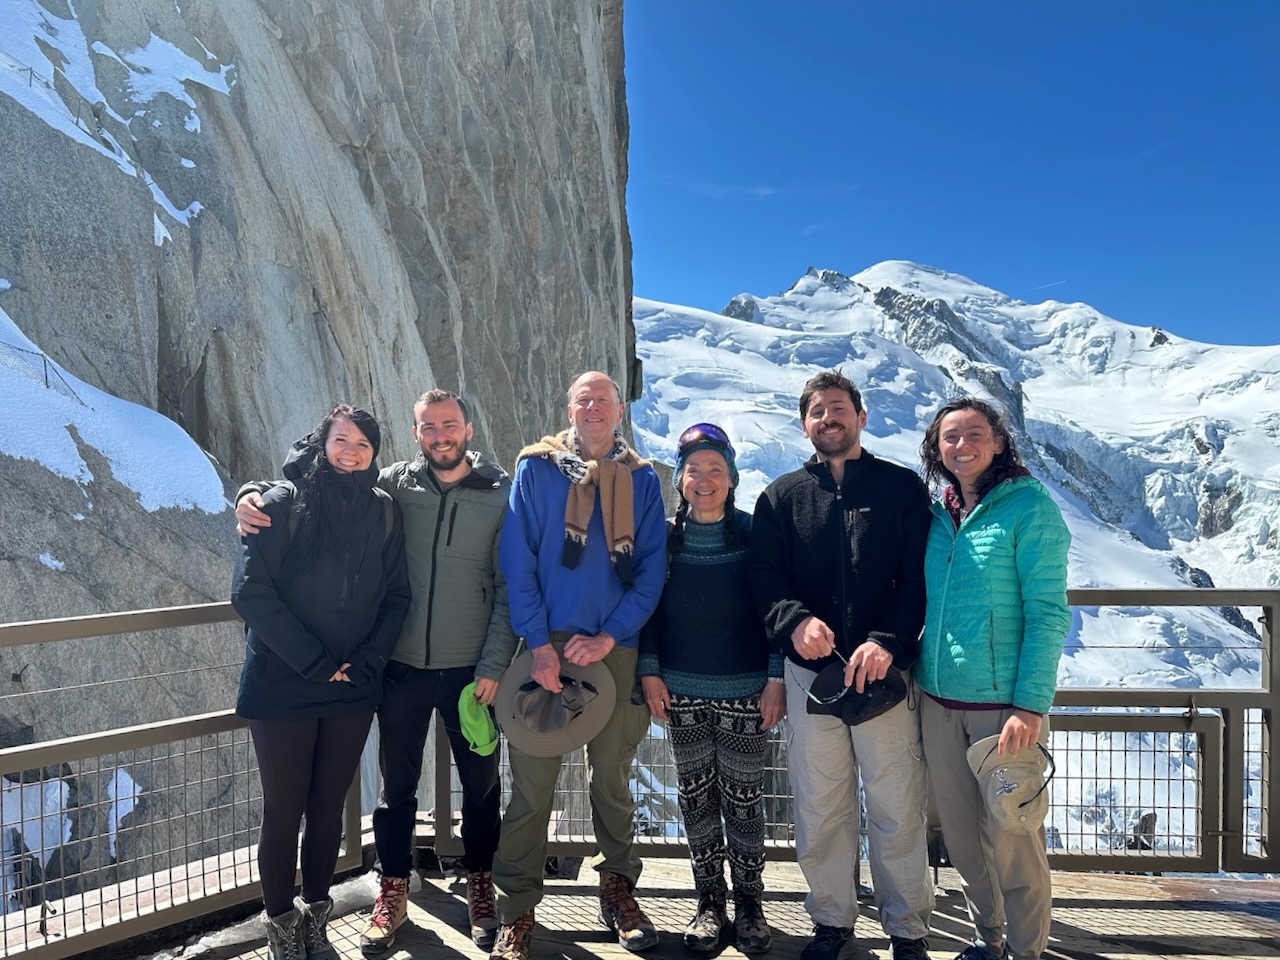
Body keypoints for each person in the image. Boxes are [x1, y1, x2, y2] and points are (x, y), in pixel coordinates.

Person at [236, 389, 517, 954]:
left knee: (481, 784)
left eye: (450, 425)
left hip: (463, 670)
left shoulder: (497, 494)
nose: (440, 435)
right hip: (394, 668)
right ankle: (387, 891)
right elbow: (309, 483)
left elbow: (503, 585)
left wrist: (492, 664)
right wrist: (248, 494)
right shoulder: (391, 485)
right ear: (415, 435)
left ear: (468, 429)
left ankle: (480, 883)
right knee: (393, 788)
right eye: (428, 427)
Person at [747, 370, 934, 960]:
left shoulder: (901, 489)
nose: (828, 419)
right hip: (813, 674)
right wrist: (794, 621)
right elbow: (765, 576)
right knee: (820, 804)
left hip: (885, 674)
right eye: (817, 411)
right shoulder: (780, 497)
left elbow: (918, 579)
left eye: (838, 408)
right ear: (804, 424)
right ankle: (831, 921)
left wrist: (887, 640)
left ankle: (908, 929)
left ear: (861, 417)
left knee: (895, 801)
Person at [489, 371, 666, 960]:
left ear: (619, 412)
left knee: (611, 778)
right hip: (547, 648)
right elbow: (518, 560)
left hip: (614, 648)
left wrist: (610, 635)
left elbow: (651, 572)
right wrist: (540, 643)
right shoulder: (537, 469)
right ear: (569, 410)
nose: (593, 408)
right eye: (582, 400)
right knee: (533, 785)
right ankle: (516, 909)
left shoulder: (642, 481)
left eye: (603, 400)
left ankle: (618, 890)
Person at [232, 404, 411, 960]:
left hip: (351, 685)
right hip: (283, 683)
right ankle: (281, 927)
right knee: (284, 811)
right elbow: (249, 592)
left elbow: (397, 595)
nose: (350, 452)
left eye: (362, 444)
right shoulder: (280, 504)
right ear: (321, 443)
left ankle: (315, 916)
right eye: (341, 440)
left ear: (374, 453)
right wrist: (315, 661)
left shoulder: (383, 510)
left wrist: (367, 660)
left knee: (329, 807)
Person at [913, 398, 1071, 960]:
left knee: (1013, 836)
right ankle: (989, 938)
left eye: (975, 433)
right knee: (961, 837)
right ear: (937, 449)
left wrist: (1029, 705)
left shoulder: (1030, 507)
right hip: (938, 701)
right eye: (950, 437)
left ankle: (1026, 951)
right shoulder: (939, 514)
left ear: (999, 442)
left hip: (1003, 709)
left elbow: (1048, 613)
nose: (962, 445)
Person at [638, 423, 785, 954]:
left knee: (744, 801)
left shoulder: (754, 535)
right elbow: (649, 608)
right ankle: (709, 903)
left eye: (714, 470)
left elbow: (775, 610)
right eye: (693, 470)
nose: (704, 480)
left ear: (732, 477)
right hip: (681, 691)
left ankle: (750, 904)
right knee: (696, 800)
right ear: (680, 479)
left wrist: (775, 677)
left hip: (747, 689)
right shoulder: (665, 540)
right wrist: (649, 669)